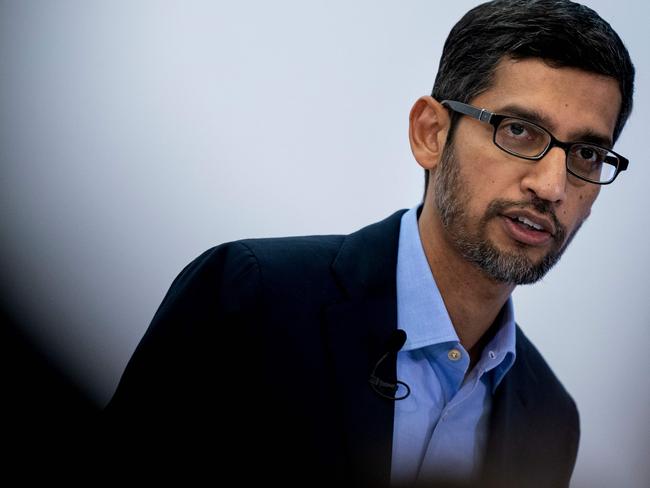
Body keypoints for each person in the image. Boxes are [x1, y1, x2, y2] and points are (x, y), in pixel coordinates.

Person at [104, 1, 635, 486]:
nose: (552, 186)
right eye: (519, 130)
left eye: (587, 154)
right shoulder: (251, 296)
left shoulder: (550, 417)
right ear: (431, 133)